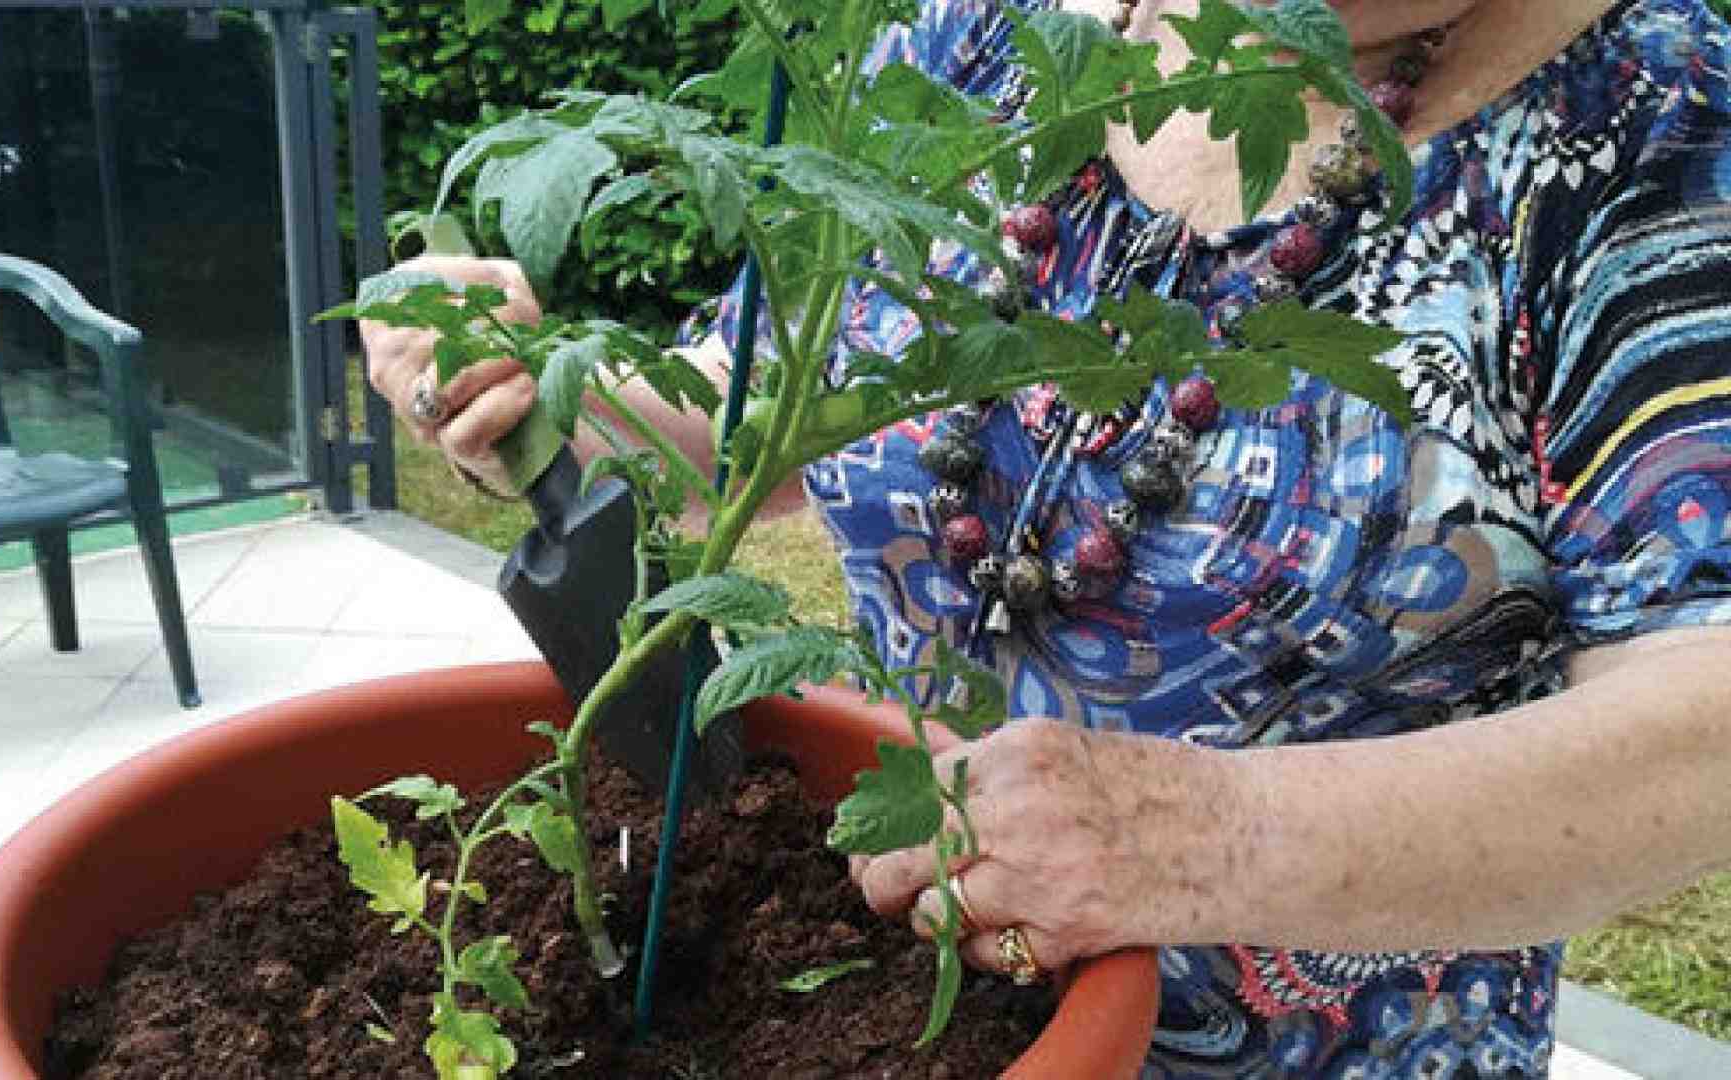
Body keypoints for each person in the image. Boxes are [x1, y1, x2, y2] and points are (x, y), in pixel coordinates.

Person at [362, 0, 1731, 1074]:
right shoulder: (990, 35)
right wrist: (539, 395)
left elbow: (1704, 716)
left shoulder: (1663, 125)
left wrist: (1209, 837)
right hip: (881, 979)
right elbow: (773, 409)